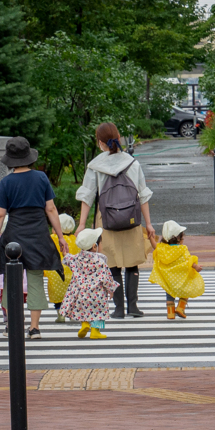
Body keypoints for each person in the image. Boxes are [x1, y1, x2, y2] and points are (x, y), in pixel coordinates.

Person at [75, 121, 157, 320]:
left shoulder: (95, 165)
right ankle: (134, 306)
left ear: (100, 142)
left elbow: (87, 196)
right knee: (131, 263)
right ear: (118, 138)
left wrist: (82, 224)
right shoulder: (132, 163)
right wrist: (149, 224)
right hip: (131, 218)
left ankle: (118, 308)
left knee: (111, 263)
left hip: (106, 220)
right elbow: (143, 195)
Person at [0, 136, 68, 341]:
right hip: (38, 234)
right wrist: (60, 237)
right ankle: (34, 328)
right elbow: (50, 208)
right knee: (35, 280)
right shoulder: (41, 178)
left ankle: (12, 325)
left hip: (14, 234)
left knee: (10, 281)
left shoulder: (6, 182)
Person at [59, 227, 116, 339]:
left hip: (81, 292)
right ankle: (95, 331)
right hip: (97, 293)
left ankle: (84, 324)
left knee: (83, 309)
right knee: (99, 312)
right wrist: (111, 289)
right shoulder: (100, 260)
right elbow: (106, 276)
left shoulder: (76, 259)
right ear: (94, 246)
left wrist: (65, 253)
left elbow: (67, 259)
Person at [149, 220, 205, 319]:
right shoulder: (182, 249)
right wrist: (196, 267)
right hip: (181, 280)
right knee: (187, 291)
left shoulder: (162, 249)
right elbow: (189, 261)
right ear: (178, 238)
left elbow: (155, 247)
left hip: (169, 279)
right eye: (182, 237)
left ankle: (170, 313)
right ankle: (180, 308)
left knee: (169, 295)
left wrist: (151, 239)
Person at [45, 212, 79, 323]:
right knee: (72, 296)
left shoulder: (52, 238)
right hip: (72, 275)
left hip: (56, 275)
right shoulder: (74, 240)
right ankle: (72, 315)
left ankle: (60, 314)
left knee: (58, 297)